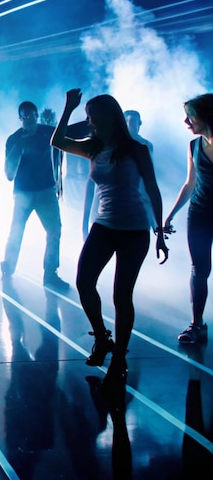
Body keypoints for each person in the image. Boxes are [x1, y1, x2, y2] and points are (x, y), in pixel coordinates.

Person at [51, 88, 168, 386]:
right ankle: (103, 338)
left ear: (108, 117)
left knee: (121, 295)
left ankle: (118, 358)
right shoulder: (93, 146)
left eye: (93, 118)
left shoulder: (136, 150)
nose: (90, 123)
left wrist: (160, 231)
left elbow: (153, 189)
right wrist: (68, 108)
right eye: (88, 118)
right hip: (103, 225)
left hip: (134, 229)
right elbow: (58, 141)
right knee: (83, 281)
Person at [1, 100, 69, 290]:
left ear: (36, 115)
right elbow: (8, 174)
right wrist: (19, 147)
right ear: (19, 118)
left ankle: (50, 274)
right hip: (23, 193)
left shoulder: (48, 132)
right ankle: (8, 267)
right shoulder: (14, 139)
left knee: (54, 231)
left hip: (46, 190)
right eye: (23, 117)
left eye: (30, 116)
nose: (26, 120)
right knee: (17, 231)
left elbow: (67, 136)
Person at [164, 94, 213, 345]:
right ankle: (197, 324)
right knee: (199, 269)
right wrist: (170, 215)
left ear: (205, 116)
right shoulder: (193, 146)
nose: (186, 121)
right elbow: (190, 183)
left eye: (190, 115)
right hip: (200, 212)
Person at [83, 109, 155, 238]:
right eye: (127, 121)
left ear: (140, 123)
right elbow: (92, 178)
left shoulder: (145, 146)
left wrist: (156, 224)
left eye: (133, 122)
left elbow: (149, 181)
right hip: (105, 201)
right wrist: (84, 222)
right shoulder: (108, 143)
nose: (130, 125)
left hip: (134, 201)